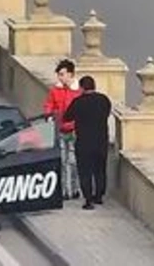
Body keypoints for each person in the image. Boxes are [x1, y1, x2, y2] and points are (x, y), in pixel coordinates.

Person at [63, 75, 112, 209]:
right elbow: (107, 113)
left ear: (82, 88)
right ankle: (99, 196)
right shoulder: (104, 100)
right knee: (100, 170)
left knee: (85, 171)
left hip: (84, 142)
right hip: (101, 141)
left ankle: (88, 200)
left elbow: (67, 117)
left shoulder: (78, 102)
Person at [43, 59, 82, 200]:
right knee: (62, 161)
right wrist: (49, 116)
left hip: (74, 130)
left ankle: (74, 188)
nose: (60, 77)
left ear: (70, 74)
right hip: (60, 129)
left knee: (73, 162)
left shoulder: (78, 91)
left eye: (62, 74)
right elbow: (49, 105)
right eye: (59, 74)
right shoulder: (55, 91)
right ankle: (65, 191)